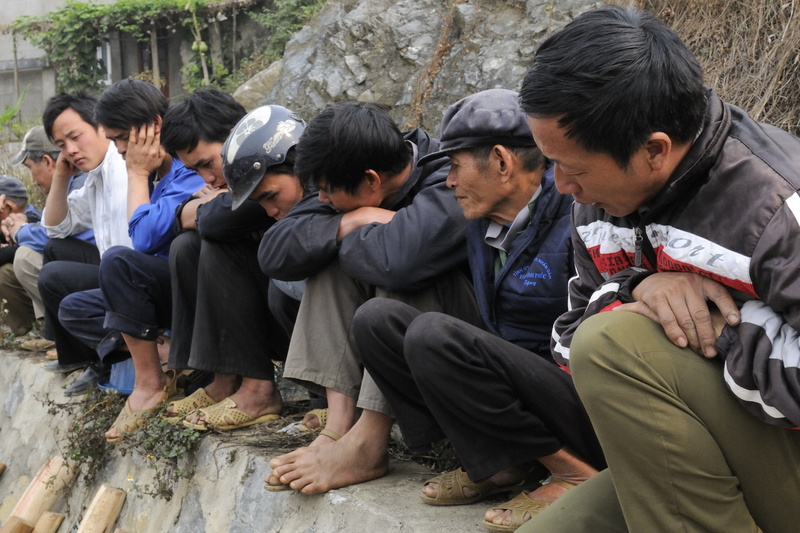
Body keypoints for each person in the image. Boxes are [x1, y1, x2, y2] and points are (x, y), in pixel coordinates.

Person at [515, 6, 800, 533]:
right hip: (701, 441)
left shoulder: (776, 205)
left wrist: (719, 327)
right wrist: (641, 287)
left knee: (616, 342)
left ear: (654, 151)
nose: (559, 185)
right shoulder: (598, 202)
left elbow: (605, 343)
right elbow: (567, 340)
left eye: (572, 168)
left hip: (783, 451)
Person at [336, 90, 603, 532]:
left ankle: (572, 470)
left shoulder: (577, 214)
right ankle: (501, 463)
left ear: (502, 162)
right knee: (377, 321)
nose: (448, 182)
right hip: (518, 378)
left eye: (456, 166)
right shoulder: (480, 220)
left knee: (433, 336)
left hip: (579, 391)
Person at [262, 100, 482, 492]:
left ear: (371, 180)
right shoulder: (344, 177)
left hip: (462, 342)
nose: (322, 200)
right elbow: (274, 251)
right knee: (334, 256)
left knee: (400, 274)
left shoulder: (445, 178)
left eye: (328, 193)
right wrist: (352, 220)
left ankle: (370, 439)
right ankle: (339, 427)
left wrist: (345, 237)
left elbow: (400, 261)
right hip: (408, 340)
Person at [55, 79, 204, 417]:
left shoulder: (189, 169)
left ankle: (150, 383)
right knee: (75, 308)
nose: (120, 150)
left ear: (154, 127)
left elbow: (145, 238)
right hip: (163, 294)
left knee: (118, 262)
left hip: (193, 290)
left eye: (122, 139)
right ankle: (167, 353)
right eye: (114, 141)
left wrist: (136, 173)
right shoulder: (154, 175)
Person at [161, 98, 304, 431]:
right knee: (185, 246)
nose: (208, 178)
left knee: (214, 242)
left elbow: (213, 222)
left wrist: (209, 210)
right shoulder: (226, 183)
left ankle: (258, 389)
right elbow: (186, 217)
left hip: (293, 310)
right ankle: (224, 379)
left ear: (236, 136)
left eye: (208, 163)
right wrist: (200, 210)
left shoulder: (275, 167)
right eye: (195, 171)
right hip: (270, 309)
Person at [38, 90, 129, 385]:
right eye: (62, 145)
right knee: (55, 249)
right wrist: (62, 176)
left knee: (53, 275)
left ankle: (105, 360)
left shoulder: (124, 166)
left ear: (101, 126)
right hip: (115, 271)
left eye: (76, 137)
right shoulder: (95, 177)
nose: (71, 150)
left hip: (135, 277)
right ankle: (77, 357)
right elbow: (56, 228)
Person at [6, 125, 94, 347]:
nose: (31, 177)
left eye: (29, 167)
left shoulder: (80, 184)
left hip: (103, 264)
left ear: (47, 161)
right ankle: (57, 334)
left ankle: (72, 337)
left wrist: (19, 230)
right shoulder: (69, 185)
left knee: (26, 257)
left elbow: (51, 235)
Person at [0, 176, 42, 335]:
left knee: (3, 273)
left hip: (49, 294)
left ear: (8, 206)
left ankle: (31, 330)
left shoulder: (33, 219)